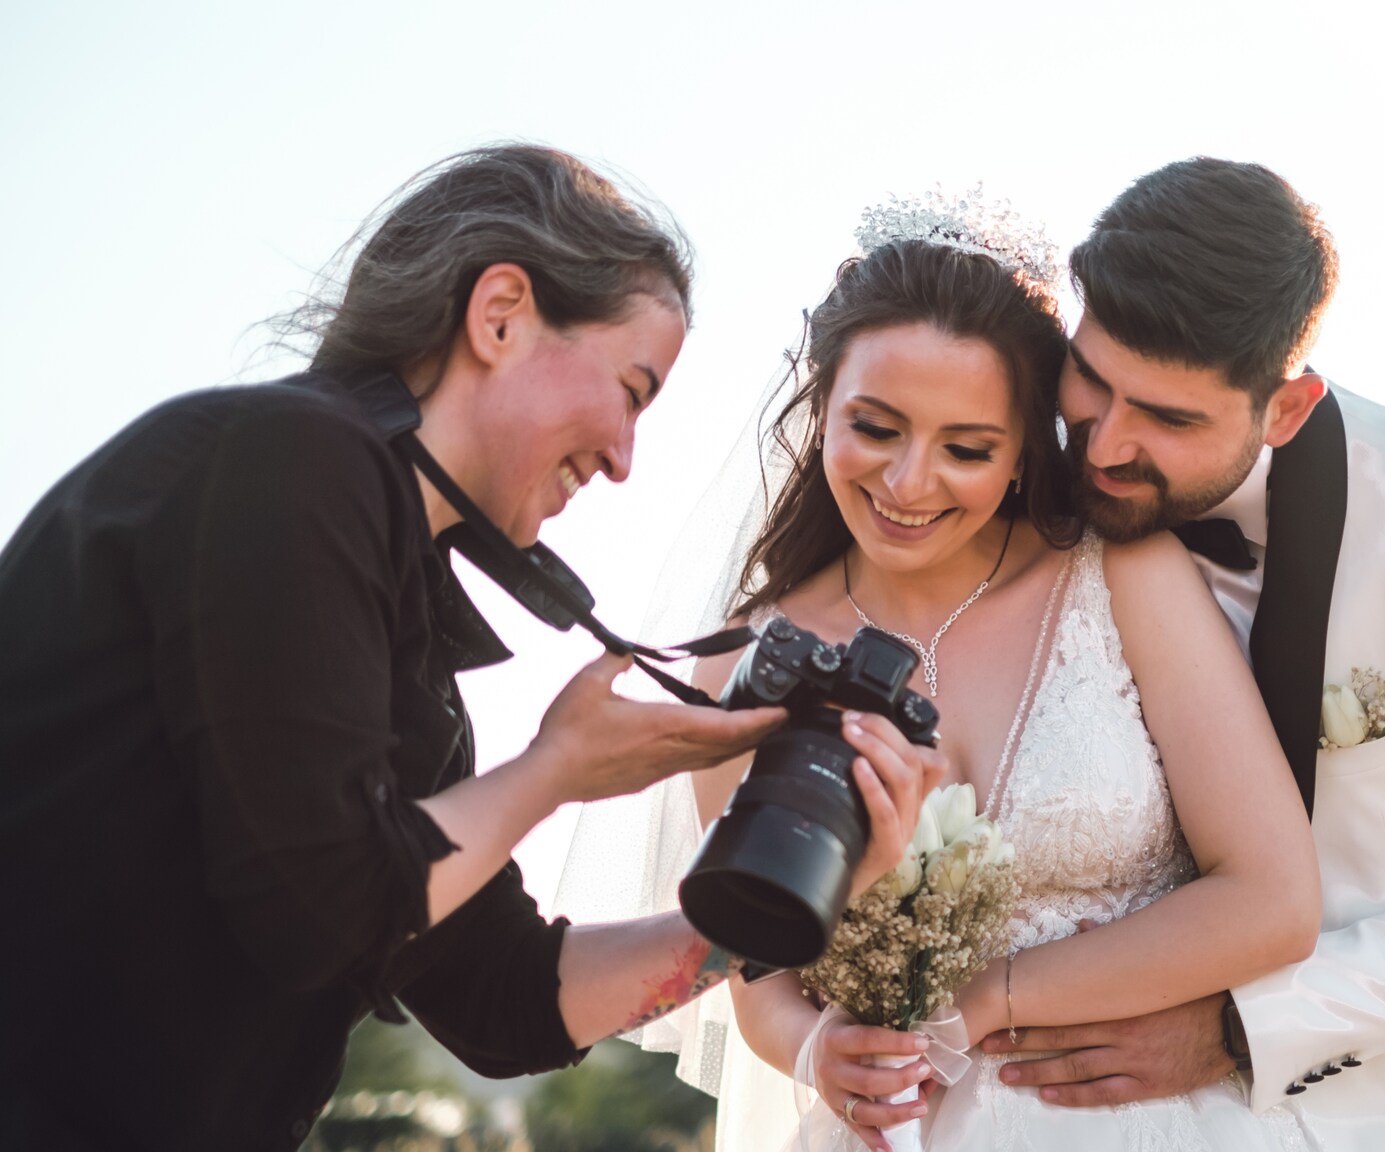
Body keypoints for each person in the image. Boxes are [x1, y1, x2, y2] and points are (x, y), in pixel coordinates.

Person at [0, 145, 937, 1151]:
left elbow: (508, 1003)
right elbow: (319, 914)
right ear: (499, 314)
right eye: (630, 389)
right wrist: (554, 773)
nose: (624, 459)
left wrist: (789, 903)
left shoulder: (397, 626)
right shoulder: (287, 459)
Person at [554, 190, 1324, 1152]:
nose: (909, 485)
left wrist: (982, 1004)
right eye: (874, 428)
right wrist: (813, 1050)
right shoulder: (748, 665)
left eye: (967, 449)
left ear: (1022, 452)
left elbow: (1273, 900)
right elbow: (757, 972)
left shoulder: (1121, 576)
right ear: (820, 405)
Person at [978, 157, 1385, 1150]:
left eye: (1169, 419)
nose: (1104, 447)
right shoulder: (995, 471)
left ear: (1284, 408)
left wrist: (1248, 1026)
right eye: (1095, 381)